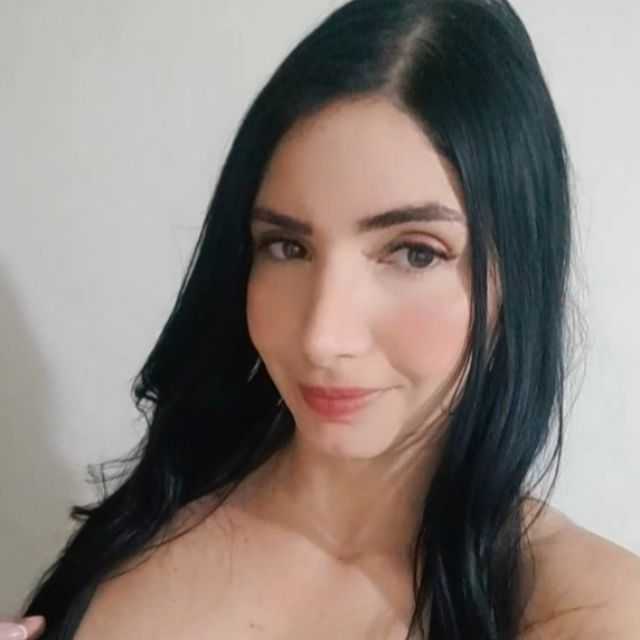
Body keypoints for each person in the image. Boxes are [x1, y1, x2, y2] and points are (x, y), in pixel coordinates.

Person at [4, 0, 640, 638]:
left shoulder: (583, 612)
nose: (322, 338)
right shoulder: (158, 508)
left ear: (518, 273)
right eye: (287, 247)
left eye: (415, 253)